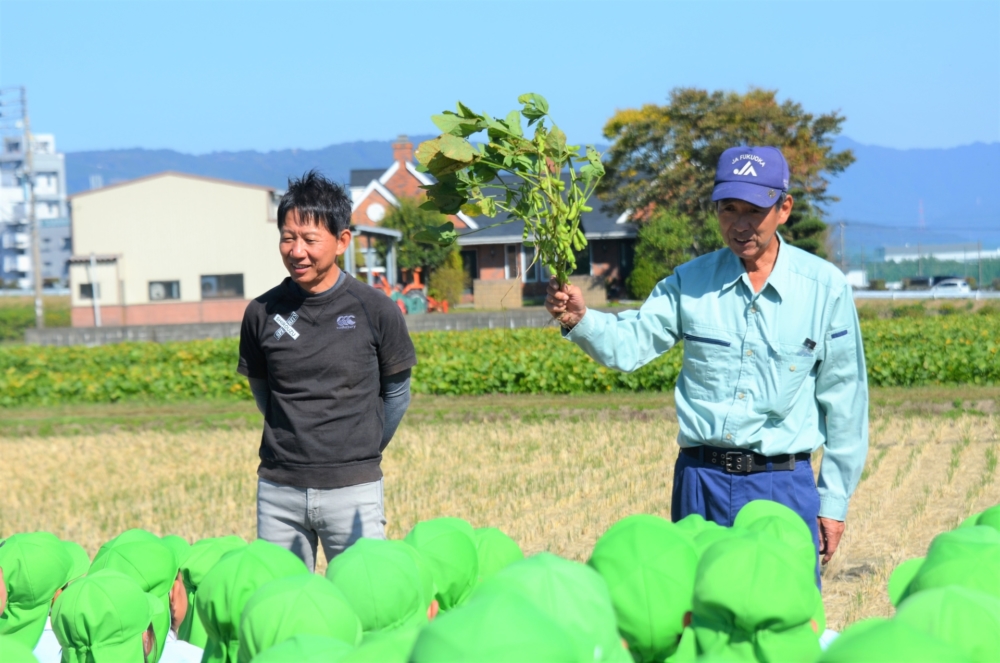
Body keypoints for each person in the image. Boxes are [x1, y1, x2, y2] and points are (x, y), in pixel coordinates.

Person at [546, 146, 868, 571]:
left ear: (784, 208)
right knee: (696, 620)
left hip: (783, 486)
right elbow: (631, 344)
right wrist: (579, 318)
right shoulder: (689, 282)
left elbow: (844, 400)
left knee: (782, 621)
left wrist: (833, 500)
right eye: (727, 209)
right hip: (701, 483)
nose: (739, 225)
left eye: (754, 210)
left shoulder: (824, 288)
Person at [238, 170, 417, 571]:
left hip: (353, 490)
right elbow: (264, 392)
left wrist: (359, 448)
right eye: (288, 237)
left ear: (342, 241)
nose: (296, 250)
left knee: (366, 603)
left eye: (309, 239)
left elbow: (397, 395)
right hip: (279, 489)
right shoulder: (261, 314)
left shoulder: (375, 309)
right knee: (280, 607)